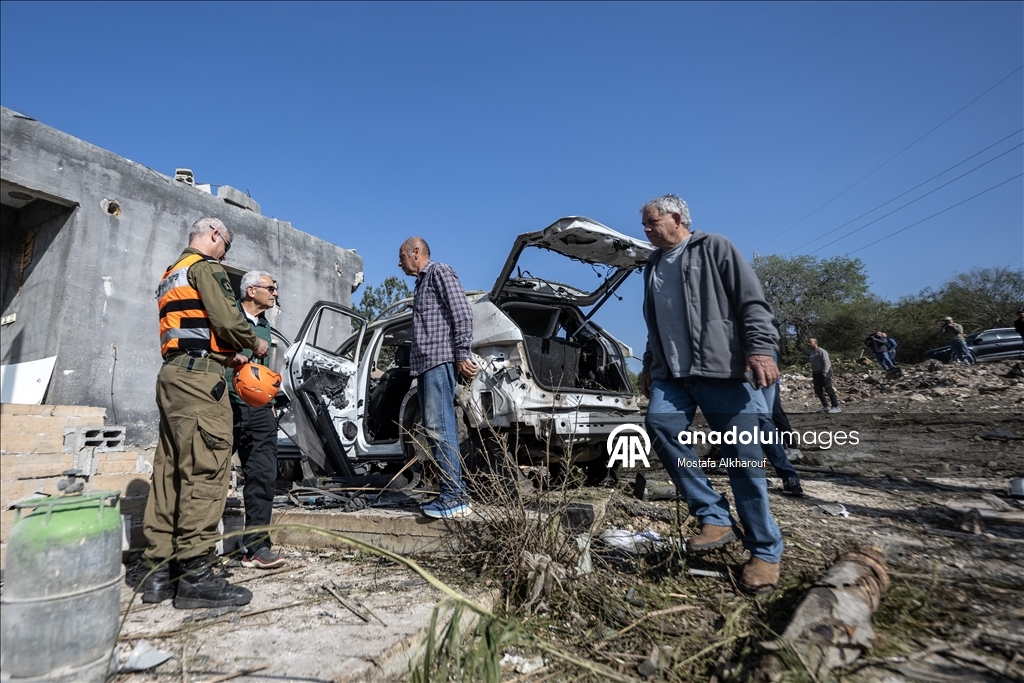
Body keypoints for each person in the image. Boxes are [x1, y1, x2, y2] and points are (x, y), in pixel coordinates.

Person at [638, 194, 784, 594]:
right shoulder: (651, 266)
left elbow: (752, 302)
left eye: (652, 222)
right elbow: (657, 325)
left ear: (678, 218)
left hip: (721, 370)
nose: (647, 230)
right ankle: (713, 515)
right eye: (645, 224)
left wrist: (760, 349)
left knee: (742, 459)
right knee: (660, 423)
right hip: (672, 374)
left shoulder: (714, 247)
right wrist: (651, 367)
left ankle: (765, 551)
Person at [142, 217, 269, 609]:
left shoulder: (170, 274)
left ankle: (157, 574)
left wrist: (222, 356)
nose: (225, 253)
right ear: (213, 235)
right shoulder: (205, 267)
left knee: (169, 474)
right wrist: (252, 344)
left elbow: (191, 332)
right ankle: (196, 574)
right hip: (200, 385)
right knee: (204, 469)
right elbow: (229, 320)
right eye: (226, 245)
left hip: (172, 376)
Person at [398, 237, 477, 519]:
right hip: (425, 365)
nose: (399, 263)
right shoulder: (421, 284)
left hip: (439, 360)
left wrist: (462, 352)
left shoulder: (440, 272)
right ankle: (452, 492)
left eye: (402, 257)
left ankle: (455, 496)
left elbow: (462, 312)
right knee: (434, 428)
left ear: (416, 253)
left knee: (440, 427)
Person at [226, 270, 286, 570]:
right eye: (271, 288)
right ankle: (191, 549)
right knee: (210, 477)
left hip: (260, 411)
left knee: (263, 476)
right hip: (225, 405)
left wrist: (270, 402)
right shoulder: (227, 315)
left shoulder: (264, 326)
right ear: (251, 290)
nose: (275, 293)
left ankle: (256, 548)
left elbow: (261, 371)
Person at [809, 338, 841, 413]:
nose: (809, 344)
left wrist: (824, 372)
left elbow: (826, 362)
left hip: (823, 372)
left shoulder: (821, 351)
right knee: (818, 390)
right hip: (816, 373)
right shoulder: (812, 352)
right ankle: (826, 406)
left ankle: (835, 406)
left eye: (810, 342)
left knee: (828, 389)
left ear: (815, 342)